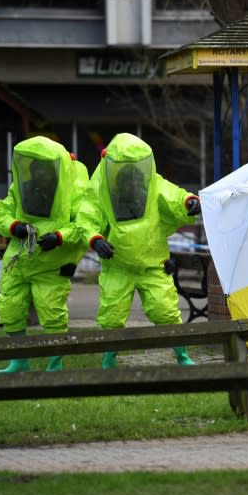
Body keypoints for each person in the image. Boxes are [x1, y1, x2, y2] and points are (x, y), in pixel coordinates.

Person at [77, 133, 201, 369]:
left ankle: (182, 355)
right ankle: (109, 360)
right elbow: (87, 217)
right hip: (118, 265)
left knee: (165, 311)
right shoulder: (100, 189)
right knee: (111, 316)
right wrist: (95, 239)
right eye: (125, 175)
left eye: (134, 174)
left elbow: (175, 196)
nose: (131, 181)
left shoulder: (153, 184)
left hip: (153, 264)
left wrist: (190, 202)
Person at [0, 135, 89, 373]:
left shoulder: (73, 190)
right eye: (34, 169)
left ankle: (55, 364)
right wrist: (15, 226)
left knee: (52, 313)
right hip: (19, 261)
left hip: (51, 265)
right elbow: (1, 211)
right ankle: (19, 360)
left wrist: (59, 237)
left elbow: (84, 224)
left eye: (43, 169)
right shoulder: (21, 188)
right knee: (9, 307)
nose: (38, 175)